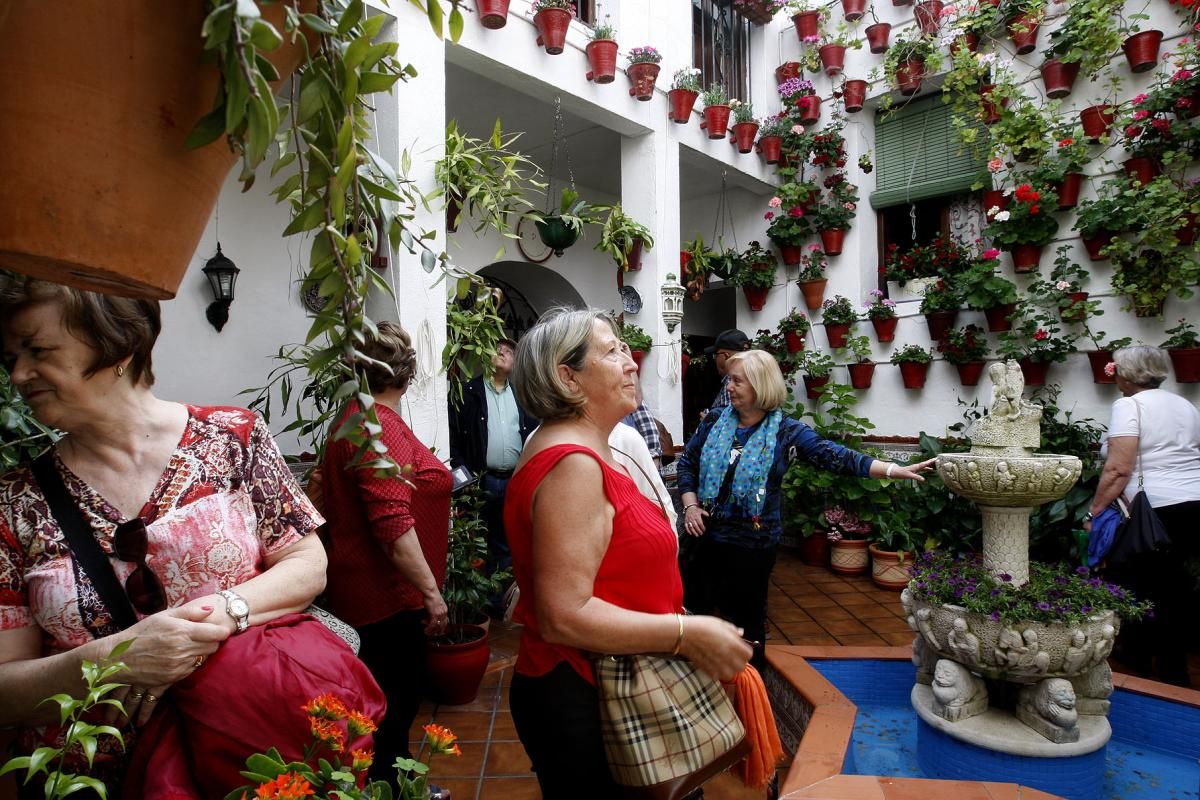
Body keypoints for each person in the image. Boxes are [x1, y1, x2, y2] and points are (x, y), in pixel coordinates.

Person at [0, 278, 327, 793]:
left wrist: (216, 619)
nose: (18, 373)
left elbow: (308, 564)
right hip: (92, 780)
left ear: (119, 344)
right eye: (11, 356)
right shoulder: (14, 501)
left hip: (244, 753)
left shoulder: (231, 438)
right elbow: (4, 687)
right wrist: (114, 658)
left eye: (38, 350)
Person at [504, 307, 751, 799]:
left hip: (609, 684)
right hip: (586, 692)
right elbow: (564, 615)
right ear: (567, 376)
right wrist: (687, 632)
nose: (631, 361)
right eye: (612, 350)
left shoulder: (589, 451)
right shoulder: (570, 464)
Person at [677, 350, 935, 669]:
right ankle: (696, 686)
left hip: (752, 548)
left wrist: (893, 470)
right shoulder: (716, 420)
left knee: (747, 625)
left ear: (760, 385)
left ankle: (749, 692)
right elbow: (688, 462)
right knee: (694, 615)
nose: (729, 387)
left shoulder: (787, 432)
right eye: (730, 379)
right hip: (705, 541)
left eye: (738, 381)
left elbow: (836, 456)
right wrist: (690, 505)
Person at [319, 321, 452, 780]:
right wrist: (432, 594)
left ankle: (392, 786)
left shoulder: (353, 420)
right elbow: (392, 524)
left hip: (366, 596)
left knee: (380, 714)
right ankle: (393, 790)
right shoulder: (378, 427)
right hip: (387, 600)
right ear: (407, 375)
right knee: (391, 712)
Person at [1083, 345, 1200, 686]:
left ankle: (1163, 670)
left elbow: (1119, 467)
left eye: (1116, 368)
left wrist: (1095, 512)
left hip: (1155, 511)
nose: (1114, 375)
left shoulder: (1129, 405)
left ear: (1127, 373)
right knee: (1171, 587)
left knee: (1140, 583)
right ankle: (1161, 661)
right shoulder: (1184, 404)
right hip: (1193, 504)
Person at [448, 337, 537, 582]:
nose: (501, 352)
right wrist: (464, 477)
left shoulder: (524, 397)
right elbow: (453, 438)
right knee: (474, 543)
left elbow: (535, 435)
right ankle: (477, 603)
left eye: (508, 350)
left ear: (516, 362)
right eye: (496, 348)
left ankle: (500, 603)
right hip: (479, 481)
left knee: (506, 541)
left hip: (513, 481)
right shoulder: (467, 393)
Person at [704, 328, 750, 420]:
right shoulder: (754, 377)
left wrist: (708, 420)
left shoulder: (731, 381)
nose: (715, 359)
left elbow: (731, 419)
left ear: (725, 356)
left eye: (715, 355)